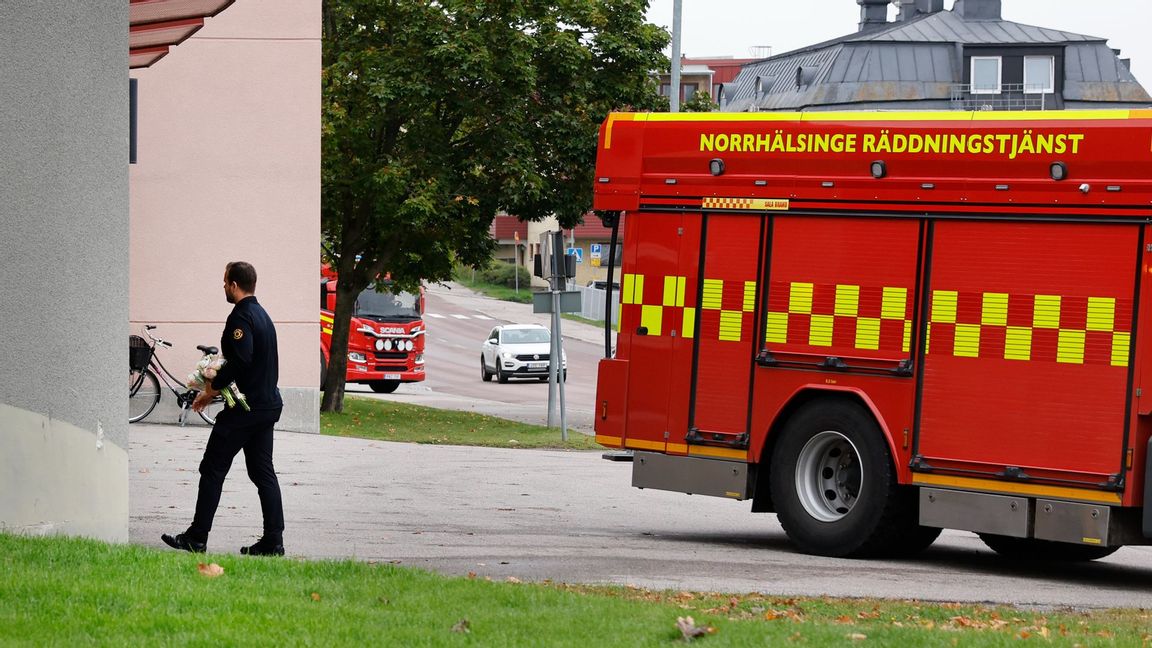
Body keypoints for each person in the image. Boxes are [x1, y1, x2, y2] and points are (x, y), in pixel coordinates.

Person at [162, 261, 286, 556]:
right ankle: (273, 541)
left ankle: (197, 537)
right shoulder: (264, 316)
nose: (223, 287)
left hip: (247, 410)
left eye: (224, 281)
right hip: (267, 405)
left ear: (233, 284)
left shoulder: (241, 318)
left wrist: (212, 387)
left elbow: (242, 360)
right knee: (262, 472)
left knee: (212, 467)